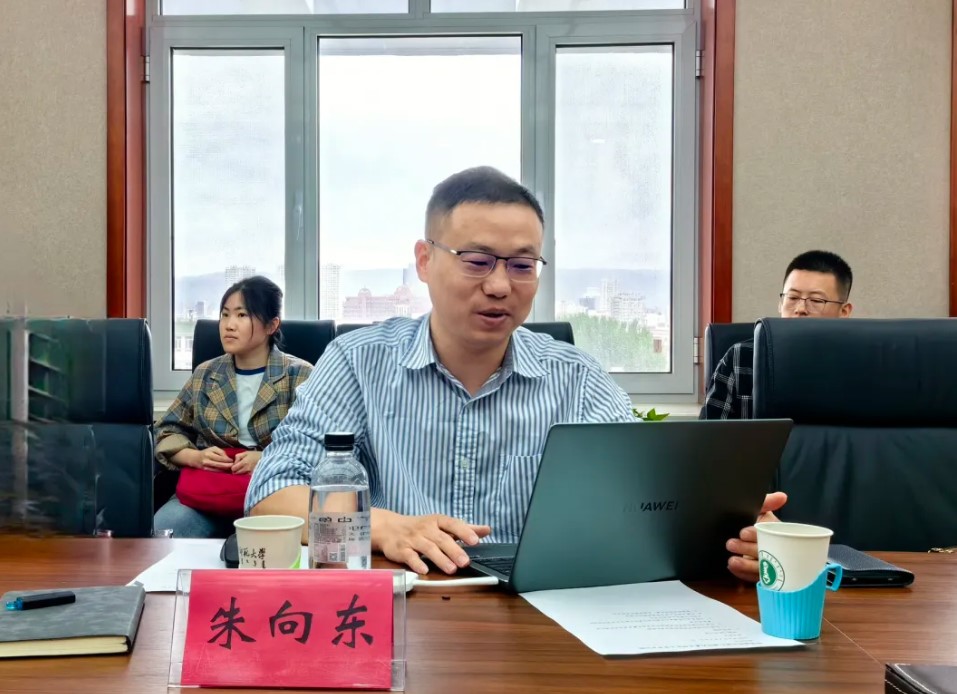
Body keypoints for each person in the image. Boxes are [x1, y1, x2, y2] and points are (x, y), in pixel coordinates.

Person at [247, 166, 779, 582]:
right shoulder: (357, 362)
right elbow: (271, 492)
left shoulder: (576, 379)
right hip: (403, 610)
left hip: (539, 618)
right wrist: (385, 526)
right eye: (477, 260)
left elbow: (648, 498)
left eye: (522, 265)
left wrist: (734, 530)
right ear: (425, 260)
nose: (501, 286)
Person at [154, 276, 313, 538]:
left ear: (272, 325)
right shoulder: (206, 374)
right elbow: (166, 432)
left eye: (242, 315)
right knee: (165, 529)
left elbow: (316, 445)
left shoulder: (300, 376)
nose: (229, 325)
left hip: (275, 493)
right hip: (208, 494)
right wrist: (196, 457)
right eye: (225, 315)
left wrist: (266, 459)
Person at [700, 250, 853, 420]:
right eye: (792, 297)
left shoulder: (860, 366)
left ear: (844, 311)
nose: (800, 309)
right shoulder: (740, 357)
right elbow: (710, 434)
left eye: (816, 300)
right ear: (780, 303)